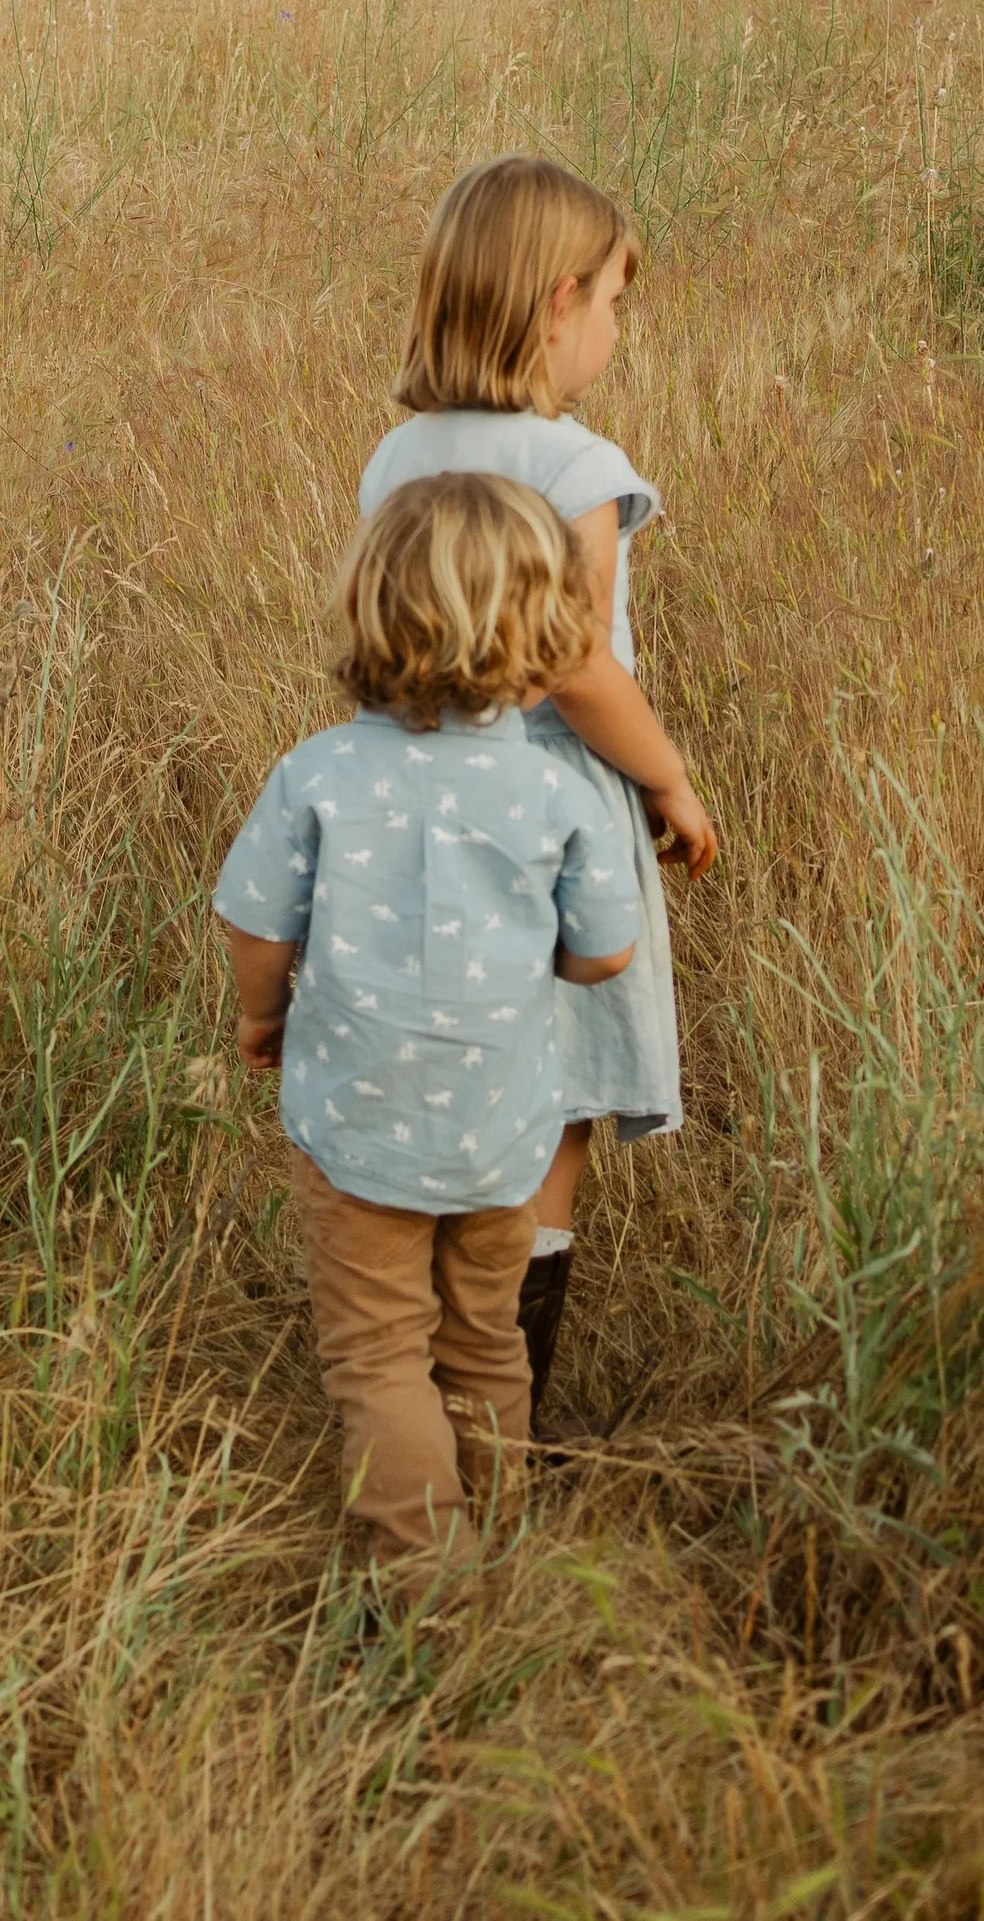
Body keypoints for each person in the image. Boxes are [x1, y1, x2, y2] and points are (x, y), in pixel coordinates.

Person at [214, 471, 640, 1568]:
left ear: (369, 612)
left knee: (376, 1358)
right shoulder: (561, 797)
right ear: (543, 636)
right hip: (503, 1133)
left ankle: (430, 1591)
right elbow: (604, 955)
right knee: (482, 1338)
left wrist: (263, 1017)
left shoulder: (317, 773)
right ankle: (497, 1532)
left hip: (358, 1135)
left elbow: (255, 925)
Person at [359, 155, 720, 1432]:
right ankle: (494, 1440)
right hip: (542, 818)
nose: (620, 331)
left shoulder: (398, 451)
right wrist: (670, 780)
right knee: (551, 1105)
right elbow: (576, 666)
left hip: (407, 804)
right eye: (619, 303)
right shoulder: (576, 467)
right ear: (559, 303)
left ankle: (415, 1407)